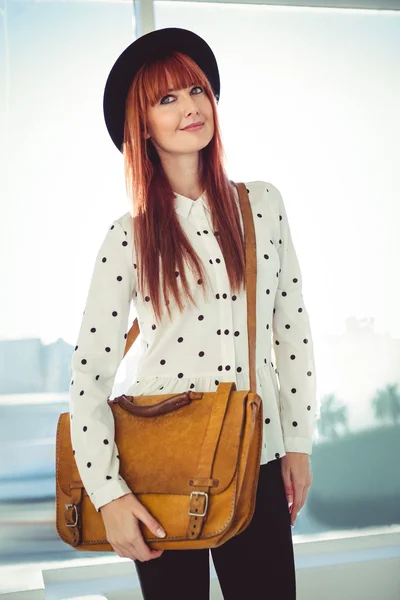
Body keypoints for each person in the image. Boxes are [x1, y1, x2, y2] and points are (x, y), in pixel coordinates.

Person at [69, 26, 318, 599]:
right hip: (156, 466)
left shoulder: (261, 205)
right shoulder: (127, 237)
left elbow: (292, 331)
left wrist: (298, 443)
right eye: (167, 98)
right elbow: (88, 374)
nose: (190, 107)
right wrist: (108, 495)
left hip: (256, 452)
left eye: (197, 90)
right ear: (143, 124)